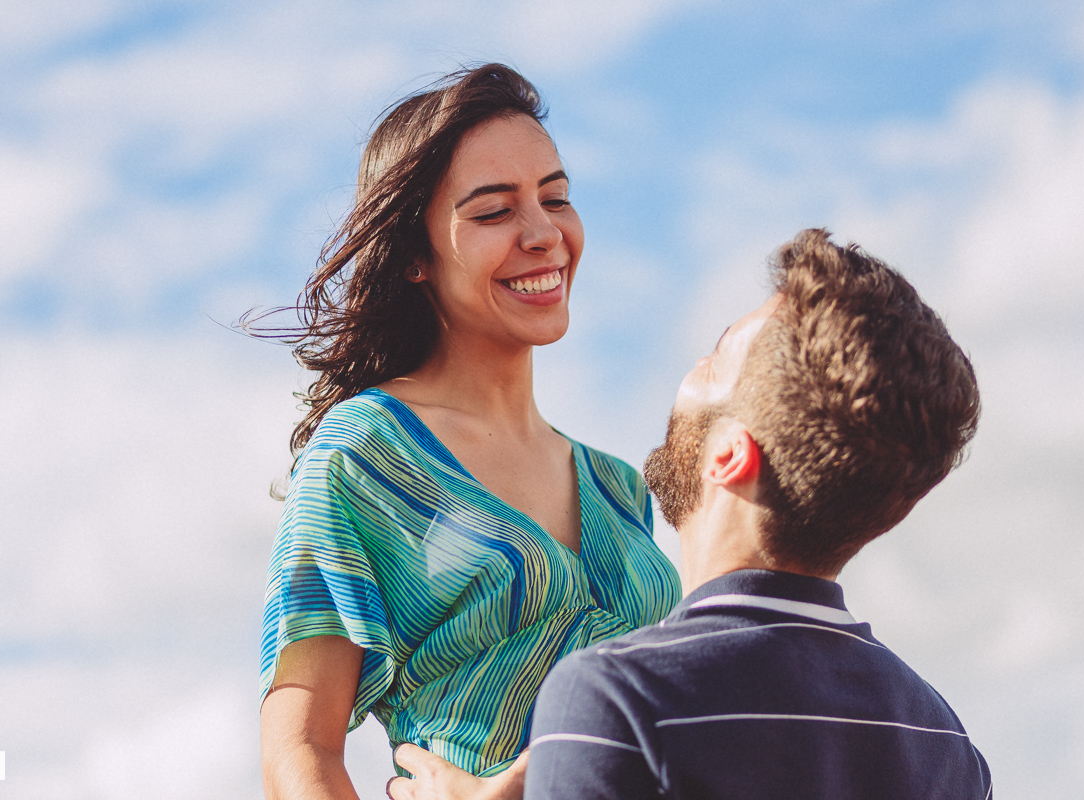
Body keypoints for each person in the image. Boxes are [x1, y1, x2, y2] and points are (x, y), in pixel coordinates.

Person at [256, 64, 681, 800]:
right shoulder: (365, 455)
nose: (544, 234)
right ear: (414, 256)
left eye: (556, 199)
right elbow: (298, 750)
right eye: (493, 212)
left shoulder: (618, 488)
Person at [523, 229, 992, 799]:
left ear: (729, 455)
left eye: (716, 357)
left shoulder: (616, 699)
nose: (694, 366)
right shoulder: (945, 743)